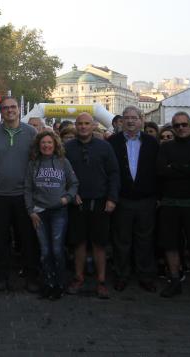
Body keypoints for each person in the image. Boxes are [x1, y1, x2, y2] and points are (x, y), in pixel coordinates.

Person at [0, 96, 39, 292]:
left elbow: (37, 161)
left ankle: (31, 277)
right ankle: (2, 277)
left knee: (27, 239)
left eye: (13, 107)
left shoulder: (31, 132)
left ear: (19, 109)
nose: (10, 110)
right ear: (1, 111)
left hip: (23, 195)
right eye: (6, 108)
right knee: (0, 239)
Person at [64, 112, 120, 299]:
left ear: (94, 125)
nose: (83, 127)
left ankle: (101, 281)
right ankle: (78, 278)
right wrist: (71, 194)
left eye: (87, 123)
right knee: (78, 243)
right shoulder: (67, 148)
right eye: (80, 123)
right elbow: (62, 174)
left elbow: (113, 174)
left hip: (100, 202)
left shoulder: (105, 147)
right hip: (77, 203)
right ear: (76, 125)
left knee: (99, 244)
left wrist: (112, 198)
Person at [157, 111, 190, 302]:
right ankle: (174, 280)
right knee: (170, 244)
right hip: (170, 203)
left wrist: (175, 167)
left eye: (184, 124)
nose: (181, 128)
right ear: (173, 127)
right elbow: (162, 171)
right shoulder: (165, 148)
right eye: (177, 125)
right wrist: (189, 168)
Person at [109, 106, 160, 293]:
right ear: (121, 120)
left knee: (145, 240)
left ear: (141, 120)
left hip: (146, 200)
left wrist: (157, 197)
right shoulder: (112, 142)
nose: (130, 121)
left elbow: (158, 171)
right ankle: (122, 275)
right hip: (122, 200)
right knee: (122, 241)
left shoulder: (152, 143)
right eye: (126, 118)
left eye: (134, 118)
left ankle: (145, 276)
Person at [25, 131, 78, 300]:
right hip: (39, 212)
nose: (46, 145)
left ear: (55, 144)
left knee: (56, 249)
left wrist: (67, 199)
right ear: (38, 145)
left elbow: (74, 183)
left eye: (49, 142)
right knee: (45, 251)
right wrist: (30, 211)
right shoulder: (33, 164)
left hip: (58, 212)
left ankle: (59, 283)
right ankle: (47, 283)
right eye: (43, 143)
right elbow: (27, 189)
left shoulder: (63, 162)